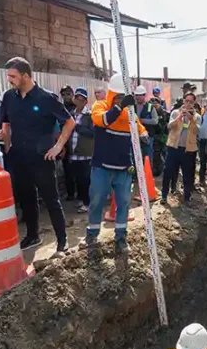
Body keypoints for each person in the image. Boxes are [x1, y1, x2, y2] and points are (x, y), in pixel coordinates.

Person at [0, 57, 75, 253]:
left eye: (13, 76)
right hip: (19, 157)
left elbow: (69, 121)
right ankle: (32, 236)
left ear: (25, 76)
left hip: (42, 157)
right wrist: (7, 146)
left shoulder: (46, 98)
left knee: (51, 199)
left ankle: (62, 239)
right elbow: (5, 123)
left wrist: (58, 146)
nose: (9, 79)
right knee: (27, 198)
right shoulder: (9, 97)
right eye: (8, 76)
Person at [82, 73, 148, 254]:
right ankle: (93, 234)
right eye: (118, 97)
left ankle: (120, 237)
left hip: (123, 168)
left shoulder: (130, 113)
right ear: (112, 94)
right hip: (101, 167)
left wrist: (143, 134)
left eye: (123, 97)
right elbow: (103, 121)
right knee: (96, 201)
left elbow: (138, 126)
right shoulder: (100, 106)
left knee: (124, 203)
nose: (121, 100)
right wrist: (119, 107)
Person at [162, 92, 200, 205]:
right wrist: (180, 117)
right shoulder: (175, 113)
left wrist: (191, 119)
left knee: (188, 175)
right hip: (174, 148)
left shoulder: (197, 117)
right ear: (183, 101)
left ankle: (187, 197)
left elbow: (197, 131)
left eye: (191, 102)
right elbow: (169, 126)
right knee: (168, 172)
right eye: (186, 101)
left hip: (188, 150)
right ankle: (164, 195)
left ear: (194, 103)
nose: (188, 104)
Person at [68, 87, 94, 214]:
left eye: (81, 99)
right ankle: (82, 199)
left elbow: (92, 132)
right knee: (78, 179)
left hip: (85, 154)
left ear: (85, 102)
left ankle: (87, 202)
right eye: (76, 98)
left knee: (85, 179)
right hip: (73, 154)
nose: (78, 101)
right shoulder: (71, 115)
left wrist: (76, 127)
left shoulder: (89, 116)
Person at [134, 85, 158, 163]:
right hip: (135, 136)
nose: (137, 97)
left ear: (144, 95)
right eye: (136, 95)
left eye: (139, 95)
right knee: (135, 158)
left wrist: (142, 121)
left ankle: (147, 173)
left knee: (147, 157)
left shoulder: (150, 107)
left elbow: (155, 121)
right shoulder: (132, 107)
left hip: (147, 137)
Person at [151, 97, 169, 177]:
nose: (154, 105)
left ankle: (166, 170)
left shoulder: (164, 113)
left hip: (164, 136)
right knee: (156, 154)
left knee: (165, 153)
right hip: (155, 136)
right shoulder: (150, 112)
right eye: (153, 103)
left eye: (156, 103)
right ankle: (157, 170)